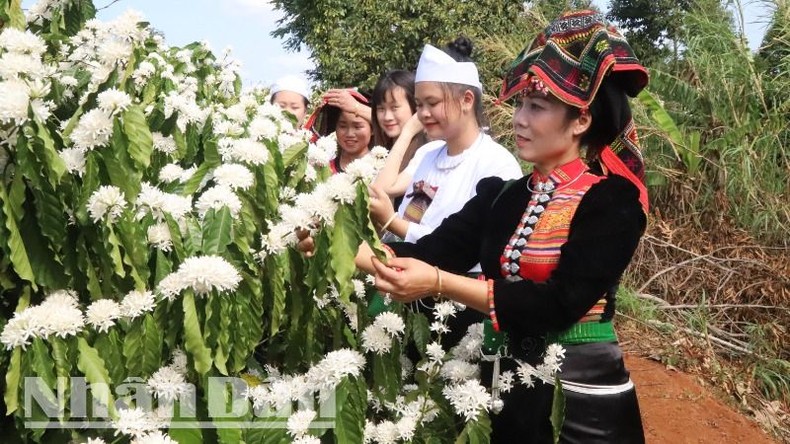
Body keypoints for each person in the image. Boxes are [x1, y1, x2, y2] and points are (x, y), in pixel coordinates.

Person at [301, 10, 649, 443]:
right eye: (520, 104)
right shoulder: (502, 196)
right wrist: (338, 248)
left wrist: (441, 284)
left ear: (581, 120)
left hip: (582, 399)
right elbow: (428, 252)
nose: (519, 119)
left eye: (536, 107)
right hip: (504, 389)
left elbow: (559, 304)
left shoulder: (612, 202)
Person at [370, 70, 427, 172]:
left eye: (394, 108)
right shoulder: (377, 152)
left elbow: (383, 187)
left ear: (415, 106)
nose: (387, 117)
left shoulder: (427, 152)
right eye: (381, 109)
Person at [305, 88, 374, 174]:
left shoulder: (384, 168)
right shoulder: (322, 171)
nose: (350, 134)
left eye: (357, 126)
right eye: (343, 126)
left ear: (373, 129)